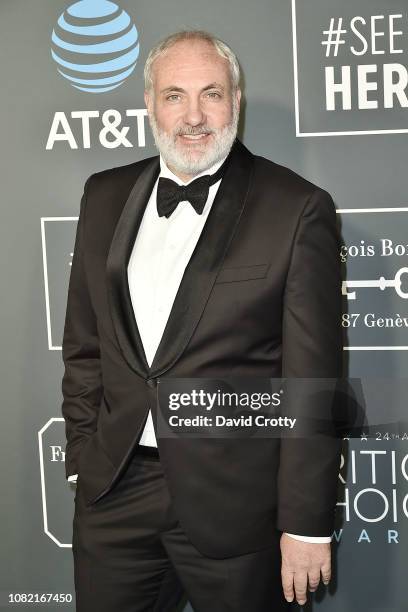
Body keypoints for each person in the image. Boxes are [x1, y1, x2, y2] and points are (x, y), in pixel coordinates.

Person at [62, 30, 343, 612]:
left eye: (211, 94)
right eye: (174, 95)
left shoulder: (296, 208)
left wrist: (307, 523)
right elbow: (85, 347)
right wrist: (85, 458)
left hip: (236, 504)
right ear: (149, 104)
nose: (193, 115)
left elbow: (311, 383)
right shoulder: (103, 195)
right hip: (115, 491)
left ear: (235, 101)